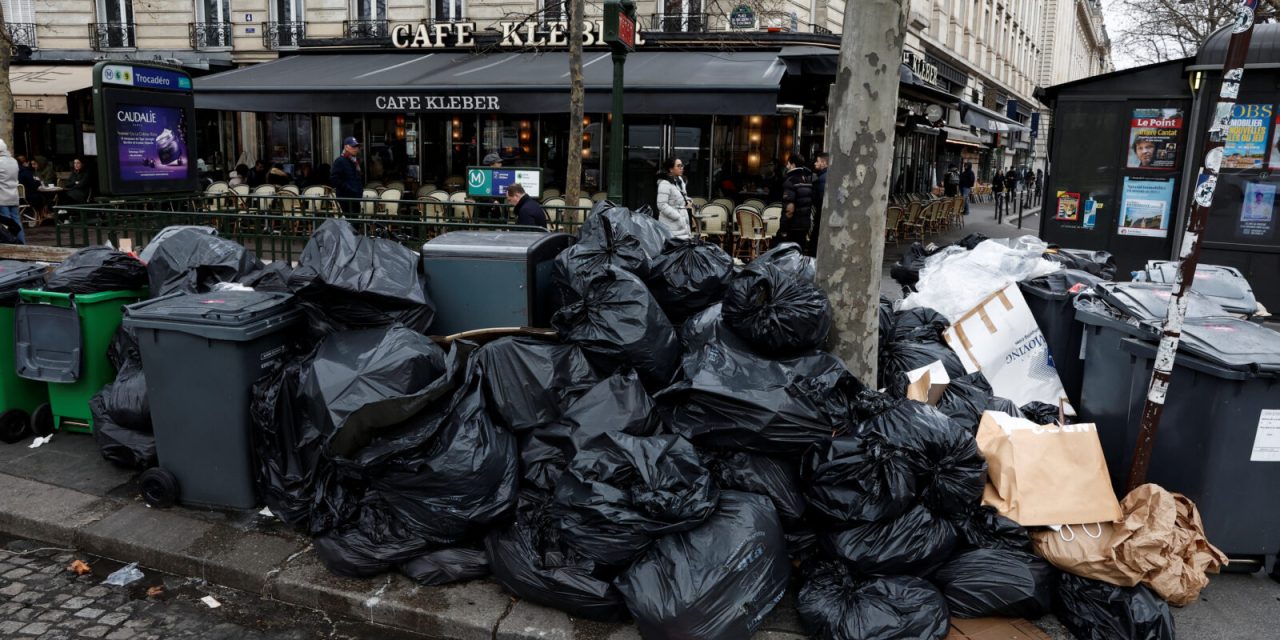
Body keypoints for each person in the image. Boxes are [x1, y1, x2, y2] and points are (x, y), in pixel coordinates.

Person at [779, 152, 814, 247]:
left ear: (793, 164)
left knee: (788, 254)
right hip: (804, 225)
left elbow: (789, 209)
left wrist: (783, 228)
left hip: (792, 226)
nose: (787, 166)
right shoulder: (807, 179)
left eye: (788, 163)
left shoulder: (790, 181)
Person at [656, 156, 693, 239]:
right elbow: (662, 205)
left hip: (682, 225)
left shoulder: (680, 181)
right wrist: (678, 217)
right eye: (678, 166)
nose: (681, 168)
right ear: (671, 169)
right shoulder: (665, 184)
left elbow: (681, 197)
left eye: (682, 165)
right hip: (671, 225)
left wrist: (688, 201)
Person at [330, 137, 364, 214]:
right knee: (351, 222)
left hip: (355, 198)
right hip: (346, 198)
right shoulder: (340, 161)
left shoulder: (354, 161)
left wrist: (358, 191)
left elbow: (357, 178)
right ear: (346, 147)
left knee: (355, 222)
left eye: (356, 147)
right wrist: (349, 189)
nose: (356, 149)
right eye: (353, 146)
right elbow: (334, 179)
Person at [0, 141, 22, 243]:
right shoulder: (13, 161)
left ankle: (11, 246)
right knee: (17, 223)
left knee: (7, 225)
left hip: (2, 197)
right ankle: (23, 245)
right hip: (13, 196)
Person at [808, 153, 829, 256]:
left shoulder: (822, 179)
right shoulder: (828, 177)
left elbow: (820, 200)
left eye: (817, 161)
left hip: (821, 215)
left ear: (824, 163)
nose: (815, 164)